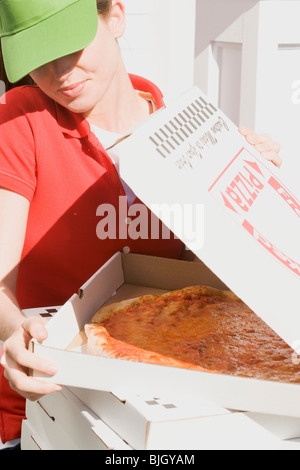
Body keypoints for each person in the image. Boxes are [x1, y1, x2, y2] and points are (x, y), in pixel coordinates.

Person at [0, 0, 282, 450]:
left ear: (115, 16)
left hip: (172, 408)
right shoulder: (23, 118)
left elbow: (203, 285)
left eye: (70, 46)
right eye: (36, 60)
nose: (57, 73)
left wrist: (249, 194)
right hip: (49, 405)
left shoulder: (188, 134)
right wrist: (15, 332)